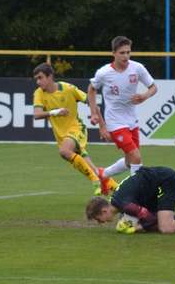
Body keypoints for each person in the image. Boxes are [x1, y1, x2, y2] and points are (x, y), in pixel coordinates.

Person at [32, 63, 119, 195]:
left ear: (50, 77)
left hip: (77, 129)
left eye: (40, 78)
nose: (38, 82)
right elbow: (37, 114)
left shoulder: (68, 88)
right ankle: (117, 189)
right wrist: (55, 112)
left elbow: (92, 102)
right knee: (90, 167)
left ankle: (95, 180)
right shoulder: (39, 93)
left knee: (64, 151)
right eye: (36, 79)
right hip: (62, 136)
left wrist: (102, 125)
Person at [87, 36, 157, 181]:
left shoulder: (137, 68)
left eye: (128, 52)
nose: (126, 56)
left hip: (132, 120)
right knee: (136, 157)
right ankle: (136, 190)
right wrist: (94, 114)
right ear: (114, 53)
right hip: (115, 122)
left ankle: (103, 174)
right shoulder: (104, 73)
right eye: (122, 53)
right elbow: (91, 89)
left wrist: (144, 96)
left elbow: (153, 87)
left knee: (130, 161)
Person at [85, 166, 175, 234]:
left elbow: (149, 217)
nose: (100, 222)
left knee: (166, 228)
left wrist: (135, 228)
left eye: (98, 219)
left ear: (104, 211)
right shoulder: (117, 201)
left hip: (164, 181)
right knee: (156, 226)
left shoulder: (125, 205)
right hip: (150, 190)